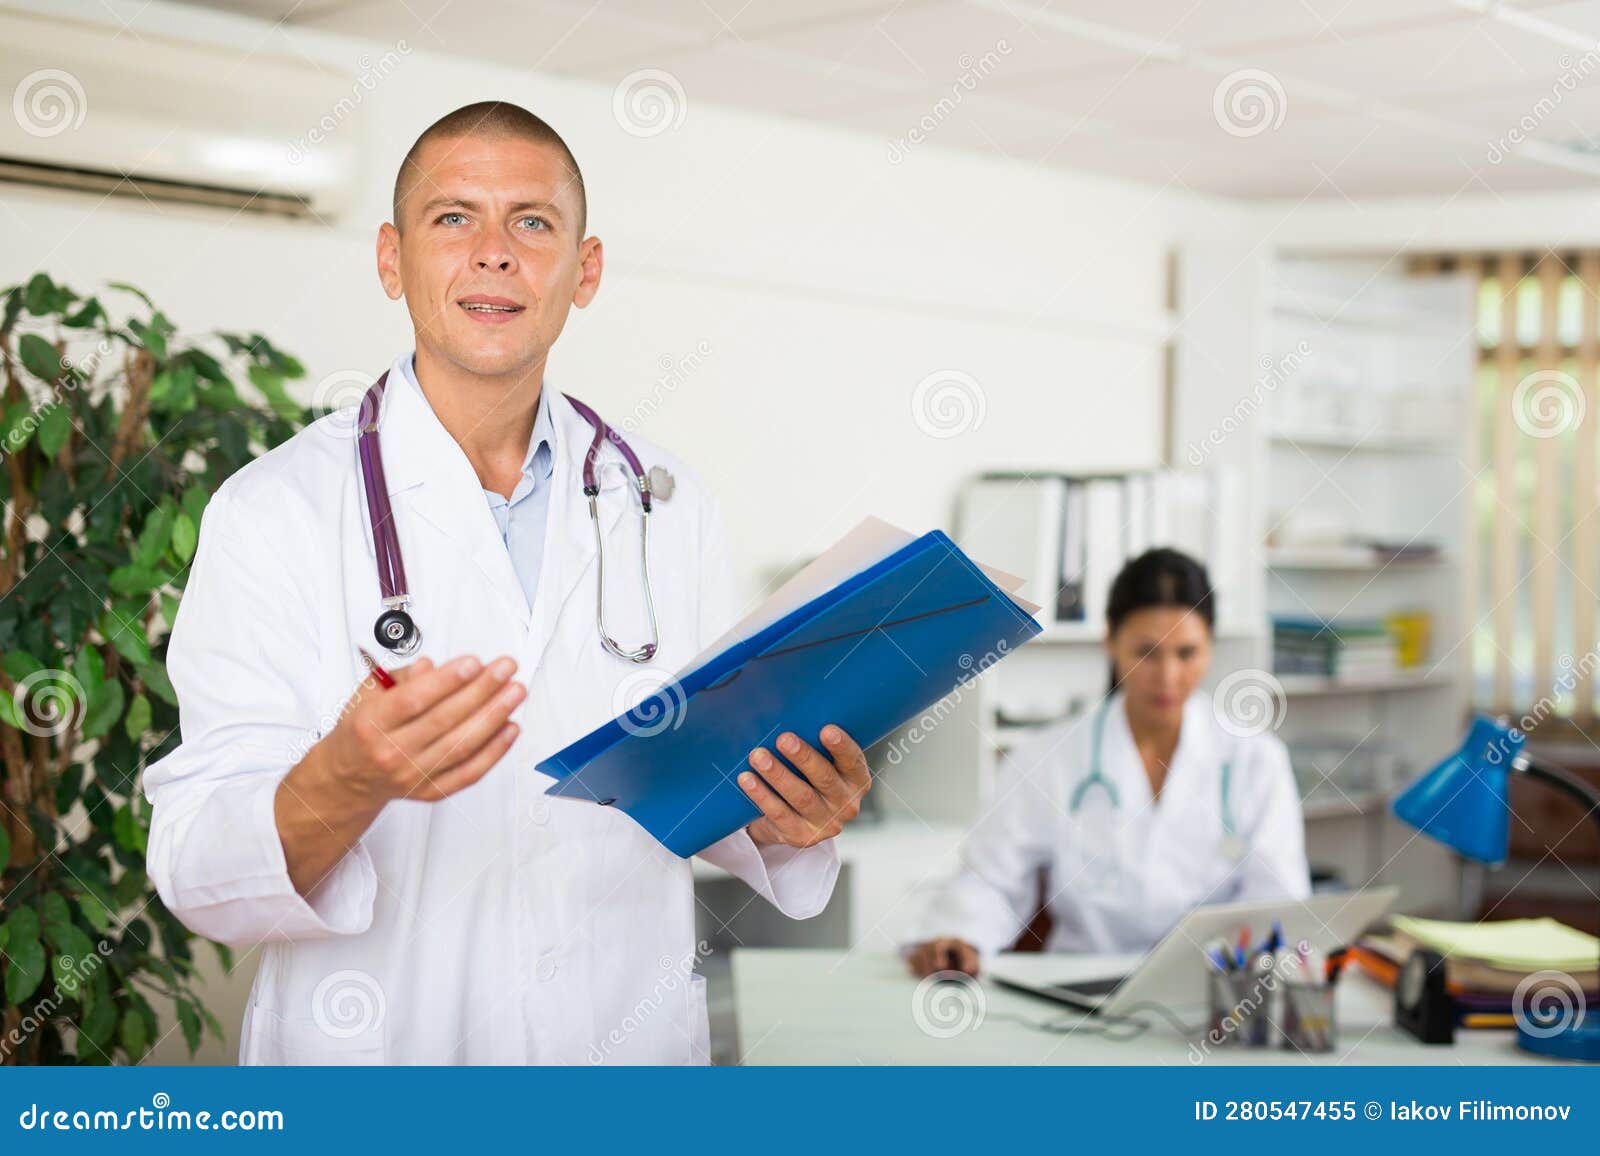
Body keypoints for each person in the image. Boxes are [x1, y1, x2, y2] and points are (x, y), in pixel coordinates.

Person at [143, 102, 873, 1064]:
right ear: (391, 260)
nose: (495, 253)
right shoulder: (275, 508)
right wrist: (349, 777)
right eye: (453, 218)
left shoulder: (666, 502)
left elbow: (705, 778)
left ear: (586, 269)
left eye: (533, 221)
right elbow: (199, 869)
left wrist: (792, 814)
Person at [906, 548, 1308, 977]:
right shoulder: (1048, 756)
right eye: (1147, 653)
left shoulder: (1256, 758)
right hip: (1078, 984)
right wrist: (960, 936)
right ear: (1110, 642)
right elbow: (992, 881)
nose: (1168, 676)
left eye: (1187, 653)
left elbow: (1279, 902)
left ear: (1210, 647)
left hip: (1211, 991)